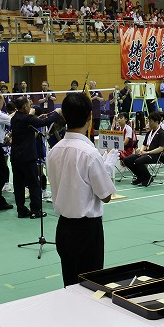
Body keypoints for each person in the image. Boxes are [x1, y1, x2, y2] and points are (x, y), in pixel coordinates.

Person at [47, 93, 115, 285]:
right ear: (89, 117)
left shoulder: (54, 151)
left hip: (63, 228)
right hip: (86, 230)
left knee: (70, 283)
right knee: (90, 286)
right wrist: (107, 168)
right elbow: (106, 196)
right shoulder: (89, 153)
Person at [9, 96, 55, 218]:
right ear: (25, 106)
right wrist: (56, 113)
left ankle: (21, 210)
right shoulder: (27, 118)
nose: (30, 107)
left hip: (16, 156)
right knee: (34, 183)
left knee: (18, 184)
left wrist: (36, 118)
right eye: (29, 105)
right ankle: (35, 210)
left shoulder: (14, 118)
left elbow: (28, 123)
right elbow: (45, 123)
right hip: (27, 157)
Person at [122, 111, 164, 187]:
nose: (148, 123)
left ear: (156, 122)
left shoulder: (162, 133)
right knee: (127, 160)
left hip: (155, 155)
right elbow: (144, 144)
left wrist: (147, 153)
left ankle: (148, 177)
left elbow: (161, 148)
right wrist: (141, 150)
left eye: (150, 121)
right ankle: (140, 176)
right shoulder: (149, 132)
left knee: (138, 161)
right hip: (146, 153)